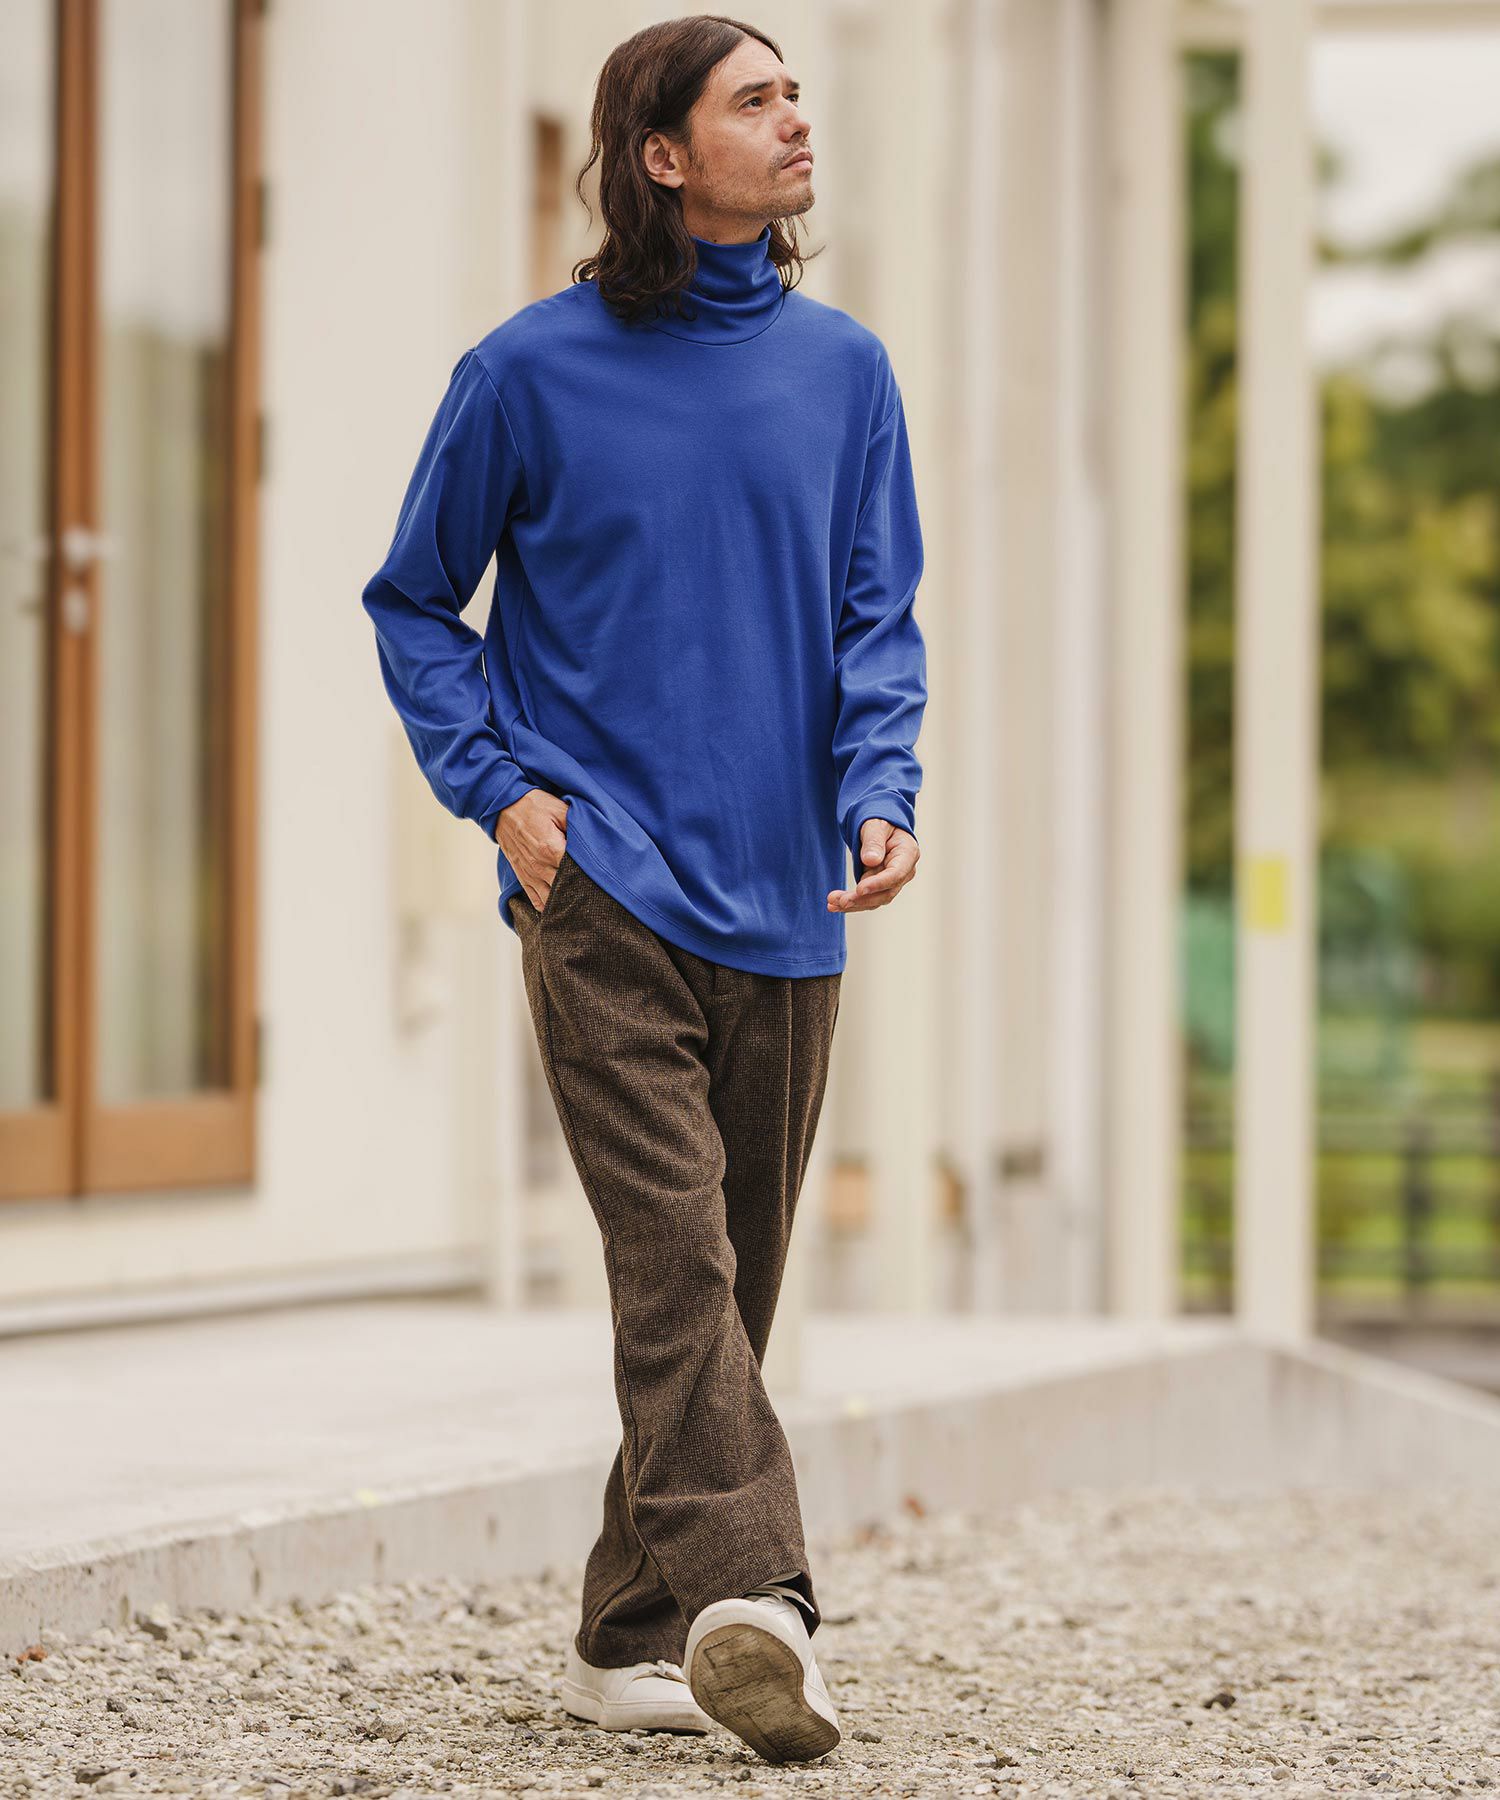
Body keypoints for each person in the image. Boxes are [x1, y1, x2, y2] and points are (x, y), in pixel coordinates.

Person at [360, 12, 926, 1767]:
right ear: (662, 157)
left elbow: (875, 616)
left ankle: (627, 1632)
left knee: (730, 1287)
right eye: (757, 99)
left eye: (797, 93)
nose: (797, 118)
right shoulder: (525, 373)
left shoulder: (847, 373)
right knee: (676, 1264)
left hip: (791, 901)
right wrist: (500, 795)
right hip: (599, 885)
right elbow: (414, 601)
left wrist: (883, 791)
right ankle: (761, 1601)